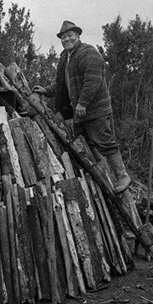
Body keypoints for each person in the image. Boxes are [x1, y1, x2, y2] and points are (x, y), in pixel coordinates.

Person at [33, 20, 131, 193]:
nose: (66, 40)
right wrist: (47, 91)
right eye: (63, 37)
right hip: (79, 111)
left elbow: (93, 80)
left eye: (70, 36)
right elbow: (62, 83)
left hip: (94, 109)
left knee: (104, 141)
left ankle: (122, 176)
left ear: (78, 35)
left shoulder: (88, 53)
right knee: (88, 143)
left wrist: (83, 103)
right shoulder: (66, 57)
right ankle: (102, 171)